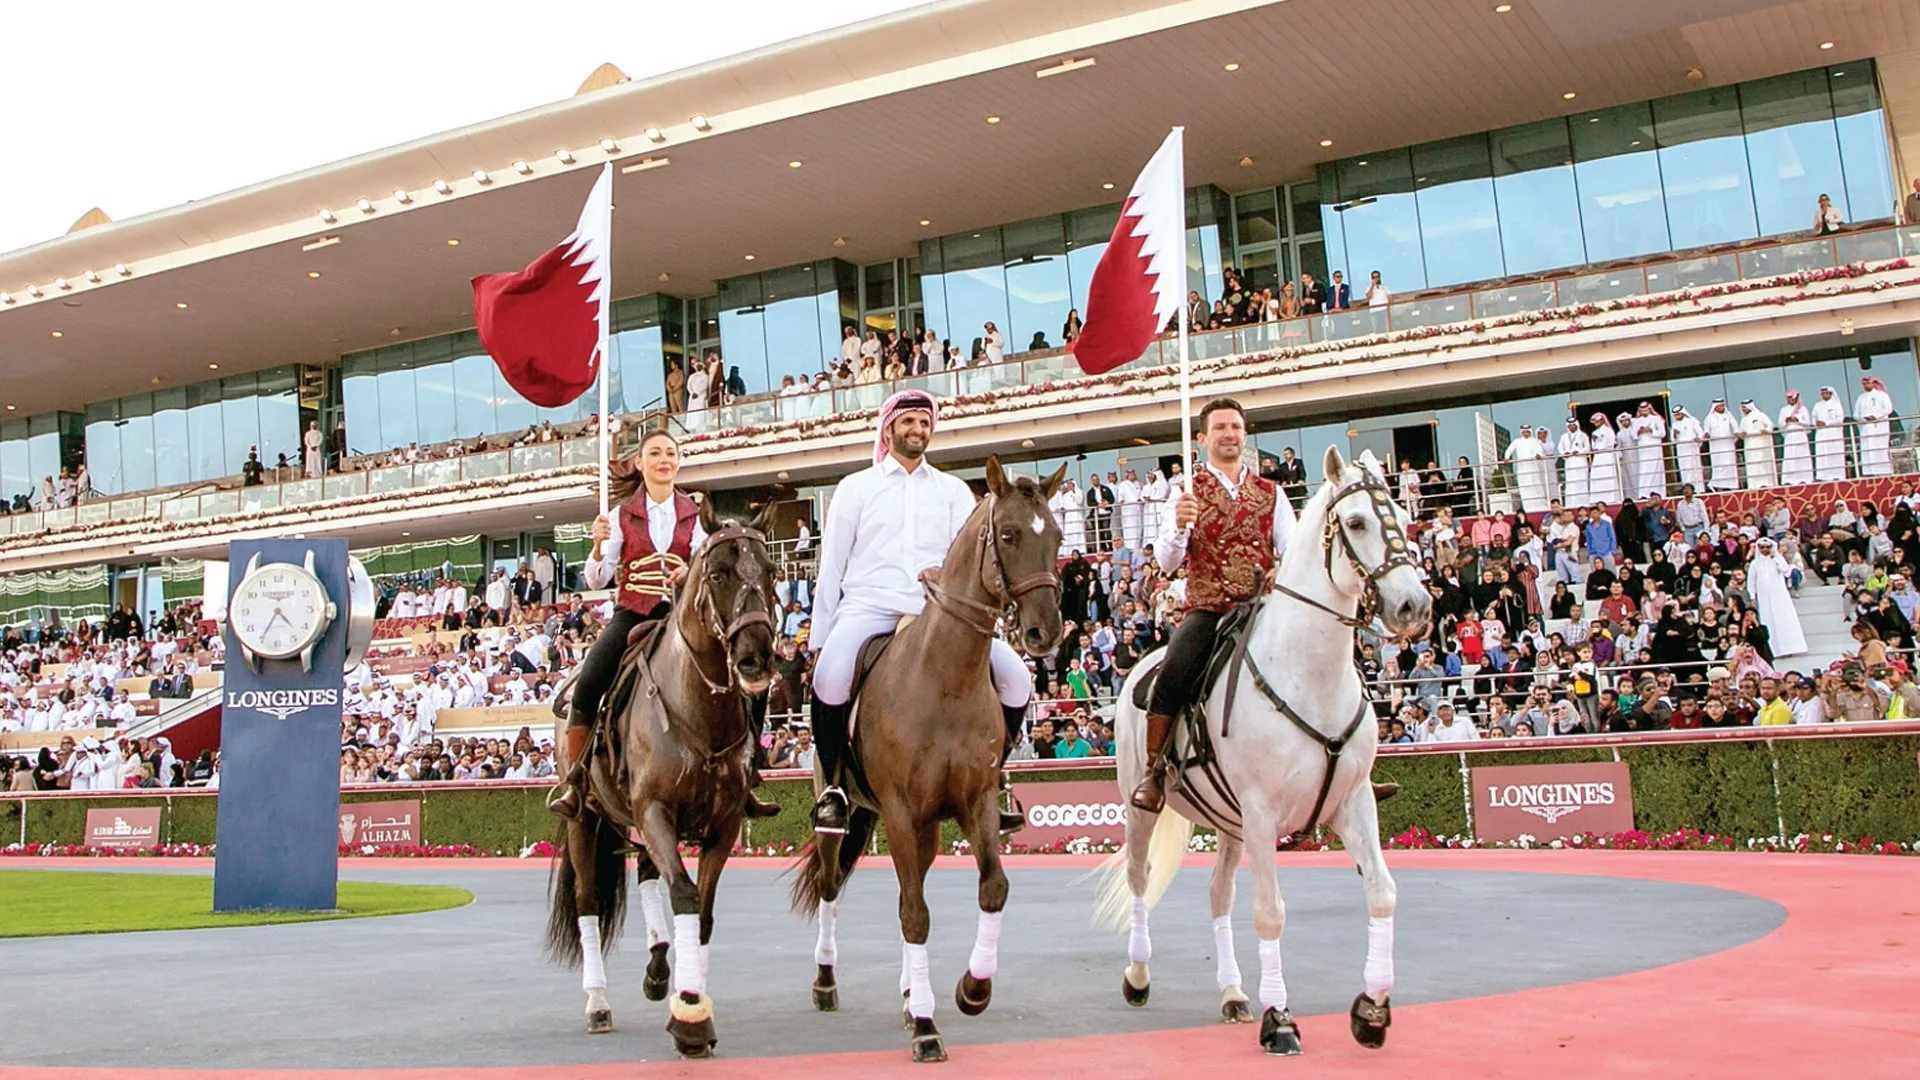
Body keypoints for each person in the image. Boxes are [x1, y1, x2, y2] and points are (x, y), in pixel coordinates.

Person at [807, 390, 1033, 834]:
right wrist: (820, 636)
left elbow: (967, 556)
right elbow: (831, 565)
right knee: (829, 677)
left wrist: (945, 571)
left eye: (924, 424)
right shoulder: (856, 488)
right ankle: (833, 788)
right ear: (888, 427)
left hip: (937, 611)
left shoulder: (952, 491)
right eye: (908, 422)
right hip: (868, 605)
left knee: (1017, 679)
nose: (917, 431)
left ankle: (995, 778)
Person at [1132, 397, 1298, 813]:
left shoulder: (1272, 494)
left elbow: (1293, 550)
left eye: (1235, 427)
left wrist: (1285, 571)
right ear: (1203, 438)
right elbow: (1168, 563)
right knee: (1173, 673)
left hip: (1263, 609)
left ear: (1244, 434)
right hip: (1210, 609)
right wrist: (1180, 528)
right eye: (1220, 427)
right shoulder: (1184, 494)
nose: (1229, 434)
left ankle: (1345, 767)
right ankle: (1155, 771)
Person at [551, 430, 710, 818]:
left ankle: (744, 774)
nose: (664, 459)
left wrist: (688, 572)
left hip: (679, 618)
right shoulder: (621, 515)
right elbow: (597, 580)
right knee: (588, 684)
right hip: (634, 614)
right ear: (640, 463)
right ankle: (576, 781)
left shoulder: (696, 513)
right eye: (655, 453)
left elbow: (706, 569)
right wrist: (596, 544)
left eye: (671, 453)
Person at [1749, 537, 1807, 658]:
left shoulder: (1777, 560)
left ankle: (1789, 648)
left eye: (1767, 547)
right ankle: (1773, 650)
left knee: (1784, 620)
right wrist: (1752, 596)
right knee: (1768, 620)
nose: (1765, 549)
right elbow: (1751, 581)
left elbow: (1786, 571)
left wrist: (1775, 556)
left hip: (1780, 596)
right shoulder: (1755, 563)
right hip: (1764, 597)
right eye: (1762, 547)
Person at [1856, 376, 1894, 478]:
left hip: (1880, 426)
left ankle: (1884, 471)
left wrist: (1876, 417)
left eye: (1868, 383)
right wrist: (1864, 419)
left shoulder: (1882, 395)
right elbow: (1856, 415)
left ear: (1873, 384)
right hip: (1866, 428)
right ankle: (1870, 472)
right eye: (1864, 384)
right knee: (1868, 448)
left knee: (1880, 447)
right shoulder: (1861, 397)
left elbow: (1889, 409)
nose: (1866, 385)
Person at [1631, 402, 1667, 499]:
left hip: (1655, 447)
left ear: (1649, 409)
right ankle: (1644, 493)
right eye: (1642, 410)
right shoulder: (1636, 421)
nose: (1644, 412)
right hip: (1643, 449)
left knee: (1656, 470)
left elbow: (1663, 433)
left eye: (1646, 410)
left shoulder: (1656, 419)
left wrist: (1651, 430)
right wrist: (1639, 431)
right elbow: (1633, 436)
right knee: (1644, 470)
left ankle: (1658, 493)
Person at [1812, 386, 1848, 481]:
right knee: (1822, 454)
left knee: (1834, 454)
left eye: (1826, 393)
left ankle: (1837, 475)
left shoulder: (1836, 405)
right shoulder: (1817, 405)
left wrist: (1826, 423)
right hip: (1821, 434)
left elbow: (1840, 419)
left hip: (1833, 433)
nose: (1824, 395)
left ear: (1831, 394)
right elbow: (1813, 418)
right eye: (1823, 394)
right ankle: (1822, 476)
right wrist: (1816, 423)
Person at [1739, 400, 1777, 489]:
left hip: (1761, 443)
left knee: (1762, 461)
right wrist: (1741, 434)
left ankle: (1765, 483)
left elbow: (1770, 425)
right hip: (1749, 444)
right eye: (1742, 407)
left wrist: (1766, 431)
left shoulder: (1760, 415)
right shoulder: (1743, 419)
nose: (1743, 409)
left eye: (1745, 407)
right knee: (1752, 464)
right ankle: (1754, 484)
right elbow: (1741, 431)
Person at [1703, 399, 1739, 492]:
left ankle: (1732, 486)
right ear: (1715, 407)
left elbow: (1735, 426)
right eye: (1720, 406)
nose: (1722, 407)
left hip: (1728, 445)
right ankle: (1715, 484)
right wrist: (1706, 434)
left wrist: (1736, 433)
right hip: (1716, 446)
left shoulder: (1728, 415)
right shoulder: (1710, 418)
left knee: (1729, 463)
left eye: (1723, 405)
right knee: (1719, 464)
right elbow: (1706, 430)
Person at [1778, 391, 1813, 486]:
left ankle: (1804, 478)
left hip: (1800, 435)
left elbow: (1808, 423)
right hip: (1789, 436)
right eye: (1788, 398)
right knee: (1790, 457)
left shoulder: (1803, 409)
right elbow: (1780, 424)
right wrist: (1786, 421)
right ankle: (1789, 479)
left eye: (1792, 398)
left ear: (1796, 398)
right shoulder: (1783, 410)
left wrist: (1797, 420)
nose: (1790, 400)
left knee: (1802, 456)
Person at [1587, 413, 1621, 505]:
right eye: (1595, 422)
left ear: (1602, 420)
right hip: (1597, 457)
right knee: (1597, 476)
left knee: (1608, 475)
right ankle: (1597, 498)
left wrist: (1600, 447)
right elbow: (1593, 446)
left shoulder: (1609, 431)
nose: (1596, 423)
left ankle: (1610, 498)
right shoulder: (1594, 432)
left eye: (1598, 421)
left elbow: (1610, 444)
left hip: (1606, 455)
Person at [1670, 405, 1705, 491]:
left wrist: (1699, 438)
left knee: (1694, 469)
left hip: (1692, 449)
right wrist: (1674, 434)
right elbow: (1672, 440)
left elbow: (1700, 432)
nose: (1677, 416)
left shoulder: (1691, 421)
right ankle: (1687, 489)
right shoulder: (1674, 425)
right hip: (1682, 450)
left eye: (1678, 414)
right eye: (1675, 415)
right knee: (1684, 470)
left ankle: (1698, 489)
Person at [1557, 417, 1590, 508]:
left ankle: (1583, 503)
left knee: (1581, 482)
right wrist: (1564, 453)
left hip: (1580, 461)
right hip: (1569, 462)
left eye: (1573, 425)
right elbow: (1560, 448)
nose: (1571, 427)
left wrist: (1579, 452)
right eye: (1569, 426)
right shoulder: (1563, 436)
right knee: (1570, 483)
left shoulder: (1583, 435)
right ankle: (1571, 504)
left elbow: (1587, 448)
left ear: (1577, 425)